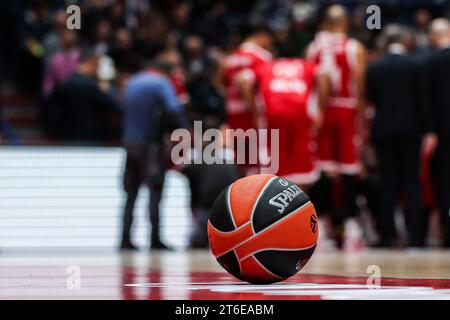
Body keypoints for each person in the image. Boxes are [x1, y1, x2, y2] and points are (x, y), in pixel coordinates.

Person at [366, 25, 434, 247]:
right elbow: (424, 102)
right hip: (411, 131)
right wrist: (427, 130)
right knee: (412, 182)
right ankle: (415, 238)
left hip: (383, 131)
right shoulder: (417, 66)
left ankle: (388, 236)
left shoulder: (375, 68)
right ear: (405, 42)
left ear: (386, 43)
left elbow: (371, 101)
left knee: (387, 183)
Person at [306, 5, 367, 249]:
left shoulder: (313, 47)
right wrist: (362, 121)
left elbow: (308, 81)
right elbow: (360, 86)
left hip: (321, 112)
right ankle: (350, 224)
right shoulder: (354, 47)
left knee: (321, 168)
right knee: (349, 168)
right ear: (345, 23)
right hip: (346, 109)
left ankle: (318, 225)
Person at [120, 59, 187, 251]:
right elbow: (174, 108)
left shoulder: (133, 81)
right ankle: (155, 239)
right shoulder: (160, 82)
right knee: (155, 190)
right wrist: (182, 129)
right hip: (149, 144)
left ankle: (125, 239)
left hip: (128, 142)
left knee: (130, 193)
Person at [255, 56, 329, 188]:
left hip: (273, 114)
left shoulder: (266, 65)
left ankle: (277, 203)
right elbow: (324, 77)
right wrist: (320, 109)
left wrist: (255, 110)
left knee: (276, 167)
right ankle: (300, 205)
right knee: (302, 167)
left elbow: (243, 80)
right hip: (301, 114)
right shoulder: (308, 65)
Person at [222, 25, 273, 174]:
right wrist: (256, 112)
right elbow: (246, 85)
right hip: (251, 113)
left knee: (242, 161)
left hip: (233, 112)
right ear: (263, 36)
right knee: (258, 161)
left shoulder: (231, 58)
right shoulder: (261, 57)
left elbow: (223, 81)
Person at [48, 49, 116, 141]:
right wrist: (107, 90)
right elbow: (112, 105)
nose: (98, 69)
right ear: (92, 63)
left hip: (67, 138)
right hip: (91, 140)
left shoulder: (65, 84)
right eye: (98, 65)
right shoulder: (93, 86)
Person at [428, 18, 450, 247]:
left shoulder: (430, 62)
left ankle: (447, 230)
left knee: (445, 185)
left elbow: (426, 101)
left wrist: (429, 130)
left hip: (442, 134)